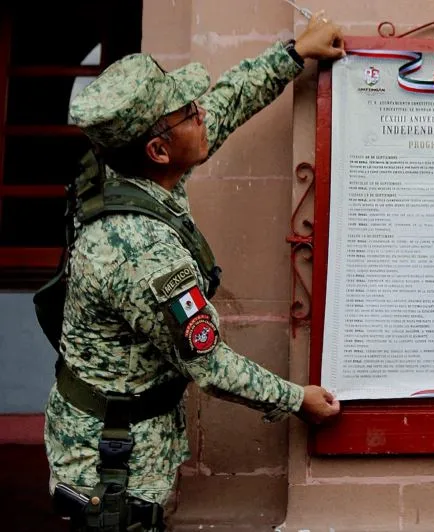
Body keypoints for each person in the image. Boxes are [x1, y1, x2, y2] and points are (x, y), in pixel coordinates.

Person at [41, 13, 345, 532]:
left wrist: (293, 55)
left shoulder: (125, 168)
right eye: (188, 112)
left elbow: (222, 106)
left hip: (119, 428)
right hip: (112, 464)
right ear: (158, 149)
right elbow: (209, 365)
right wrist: (299, 400)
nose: (203, 114)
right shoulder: (145, 254)